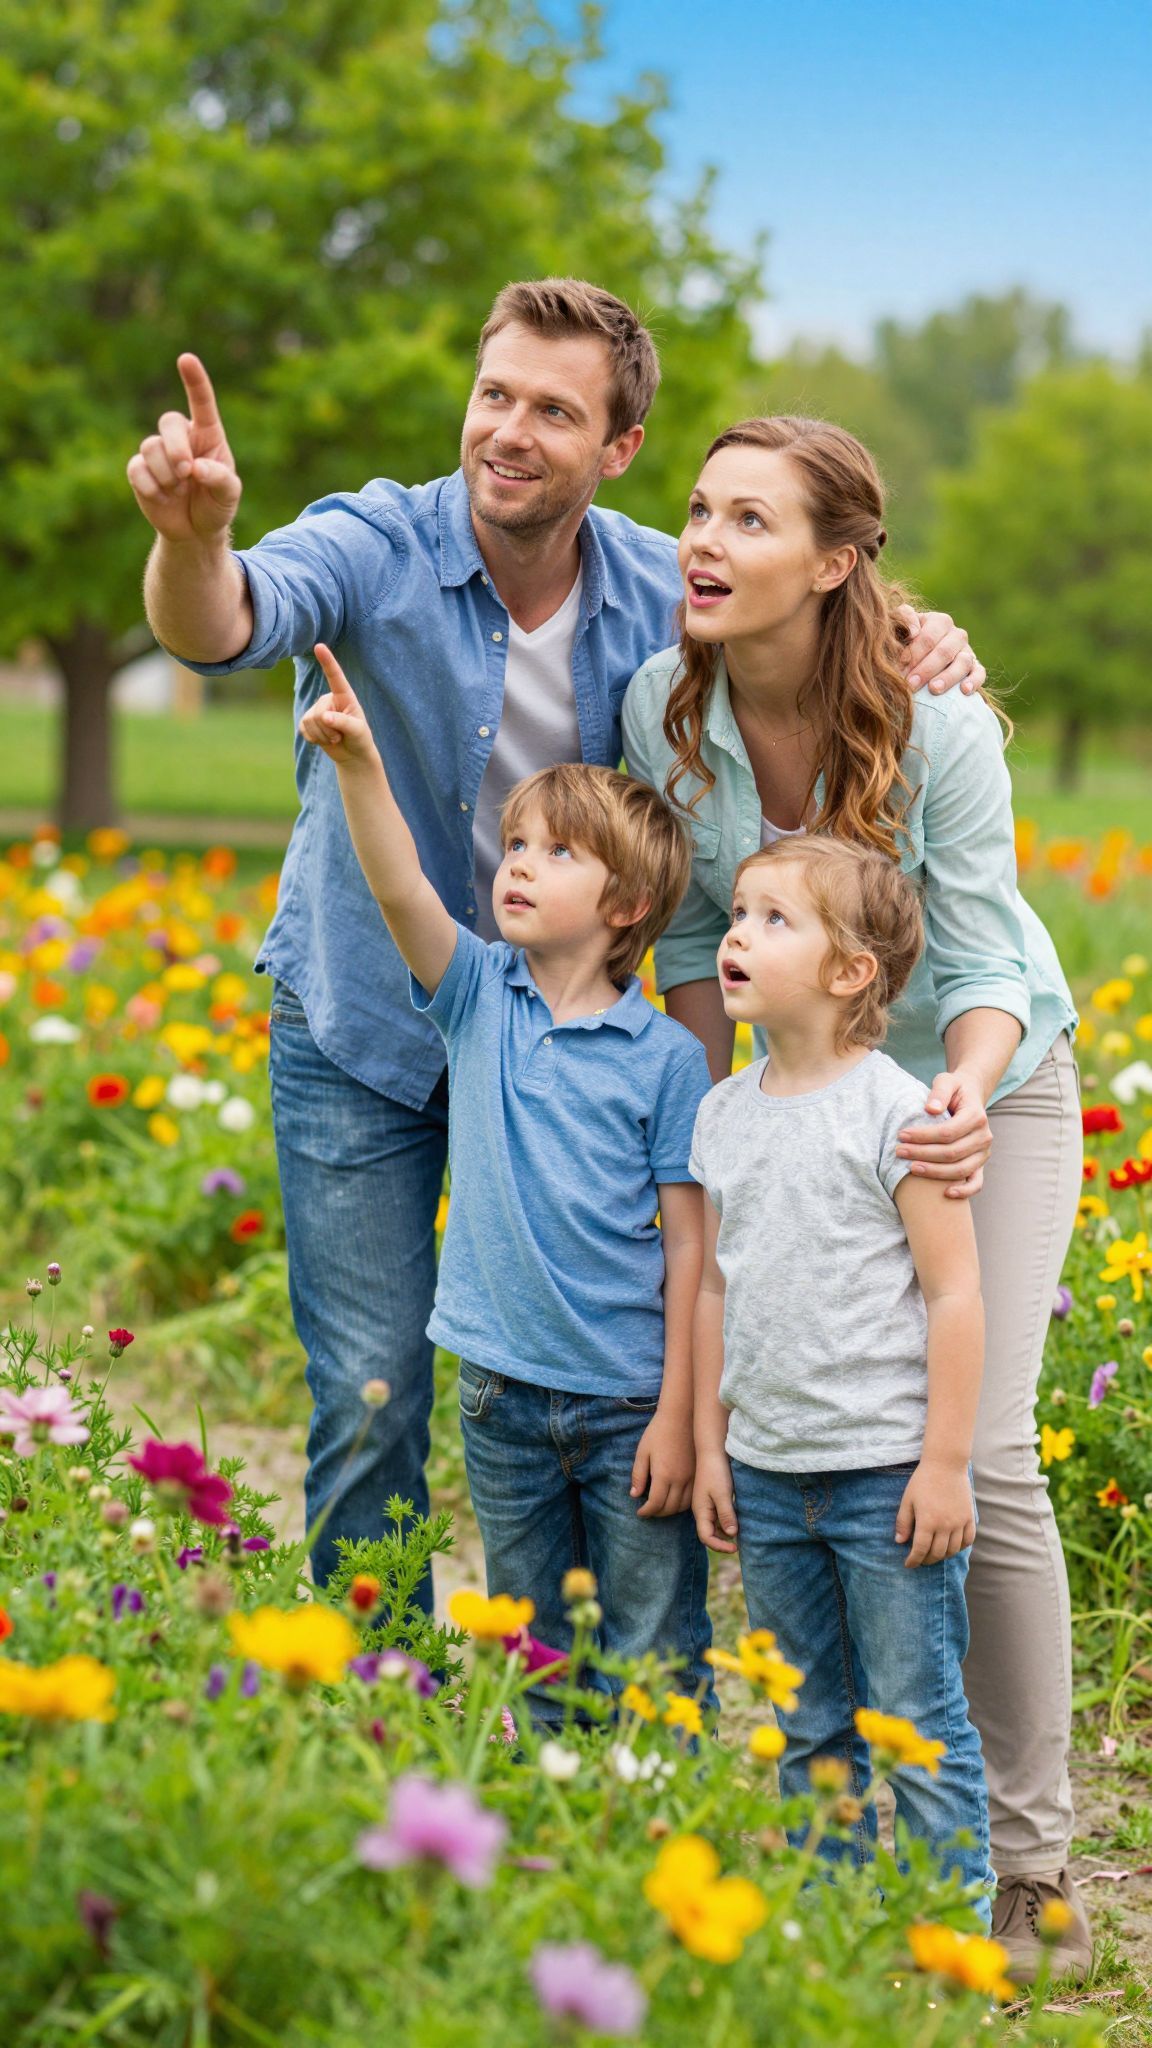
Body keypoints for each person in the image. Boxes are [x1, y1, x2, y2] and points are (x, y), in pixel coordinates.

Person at [127, 279, 981, 1599]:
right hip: (364, 1018)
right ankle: (378, 1703)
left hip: (575, 1053)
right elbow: (225, 620)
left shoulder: (660, 587)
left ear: (618, 448)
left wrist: (925, 641)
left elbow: (817, 622)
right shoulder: (373, 543)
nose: (509, 431)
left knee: (605, 1363)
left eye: (553, 411)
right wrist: (192, 541)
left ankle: (602, 1679)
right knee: (370, 1387)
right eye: (494, 395)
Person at [621, 415, 1086, 1979]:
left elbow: (994, 947)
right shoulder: (661, 712)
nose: (703, 538)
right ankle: (846, 1854)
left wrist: (960, 1089)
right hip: (783, 1101)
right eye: (696, 508)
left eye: (748, 520)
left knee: (994, 1449)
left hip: (977, 1090)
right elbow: (691, 951)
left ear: (832, 564)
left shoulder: (934, 718)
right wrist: (714, 1133)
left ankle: (1027, 1865)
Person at [296, 642, 716, 1720]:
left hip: (630, 1403)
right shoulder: (479, 994)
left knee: (654, 1652)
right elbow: (400, 886)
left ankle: (663, 1841)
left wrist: (681, 1414)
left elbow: (689, 1251)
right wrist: (358, 767)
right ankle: (551, 1834)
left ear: (625, 902)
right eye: (515, 843)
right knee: (535, 1653)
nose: (515, 864)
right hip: (499, 1392)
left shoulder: (665, 1058)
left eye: (555, 852)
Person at [691, 834, 993, 1924]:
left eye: (775, 919)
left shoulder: (899, 1113)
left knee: (914, 1712)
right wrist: (715, 1444)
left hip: (883, 1474)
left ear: (850, 970)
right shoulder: (723, 1111)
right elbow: (718, 1290)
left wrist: (947, 1462)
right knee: (805, 1716)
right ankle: (830, 1927)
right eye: (736, 912)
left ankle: (945, 1929)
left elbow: (955, 1293)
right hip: (770, 1474)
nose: (736, 934)